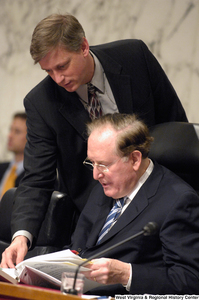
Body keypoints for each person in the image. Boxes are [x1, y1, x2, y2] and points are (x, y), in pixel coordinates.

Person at [0, 13, 188, 268]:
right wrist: (21, 237)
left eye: (62, 66)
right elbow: (36, 178)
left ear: (84, 47)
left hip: (156, 202)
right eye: (48, 71)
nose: (57, 78)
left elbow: (174, 124)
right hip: (92, 216)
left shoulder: (135, 57)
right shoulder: (41, 102)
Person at [70, 113, 199, 295]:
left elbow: (190, 281)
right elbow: (79, 247)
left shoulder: (178, 201)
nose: (96, 174)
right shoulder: (104, 187)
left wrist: (127, 275)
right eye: (92, 163)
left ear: (135, 159)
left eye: (104, 164)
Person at [0, 112, 27, 200]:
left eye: (17, 131)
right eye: (10, 130)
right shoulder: (2, 168)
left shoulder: (36, 178)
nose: (10, 135)